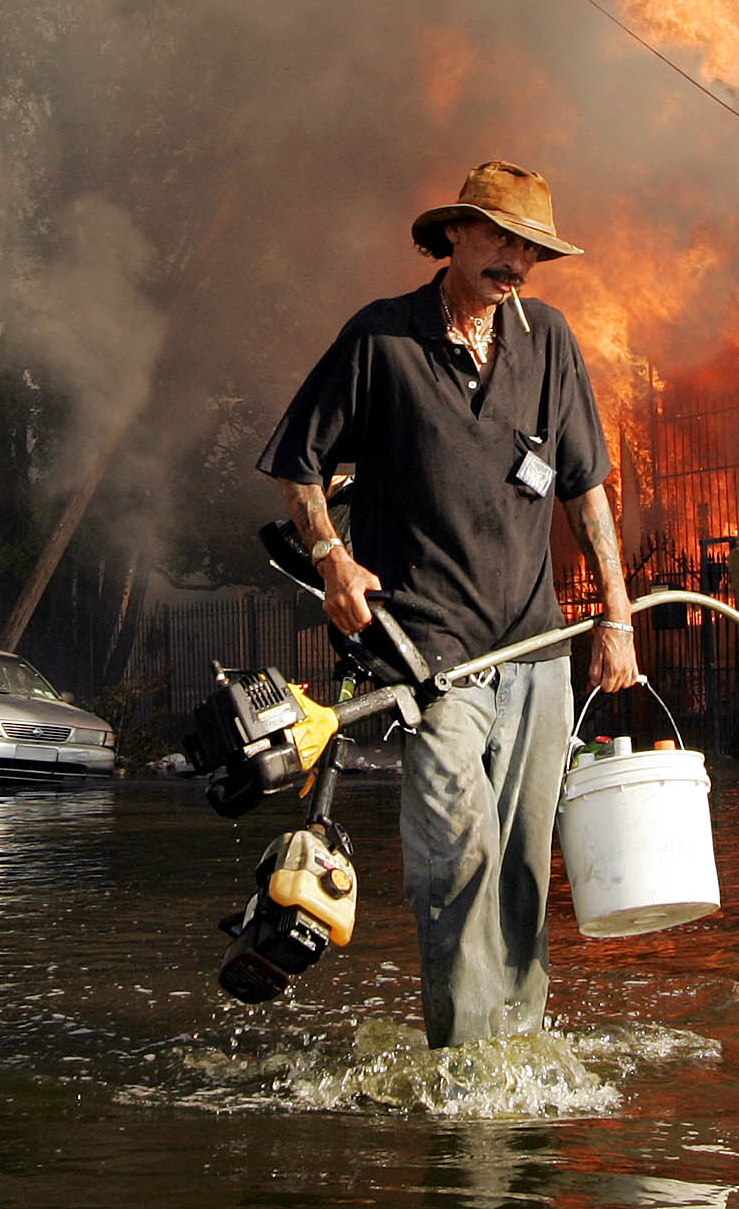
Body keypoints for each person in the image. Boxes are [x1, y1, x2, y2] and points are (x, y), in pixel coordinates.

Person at [258, 160, 635, 1049]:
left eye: (531, 248)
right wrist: (333, 559)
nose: (516, 261)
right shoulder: (380, 340)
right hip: (432, 662)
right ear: (456, 233)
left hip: (536, 654)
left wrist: (616, 613)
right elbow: (298, 465)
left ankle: (519, 1050)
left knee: (523, 873)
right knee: (456, 856)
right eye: (501, 239)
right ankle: (466, 1064)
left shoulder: (549, 341)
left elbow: (585, 490)